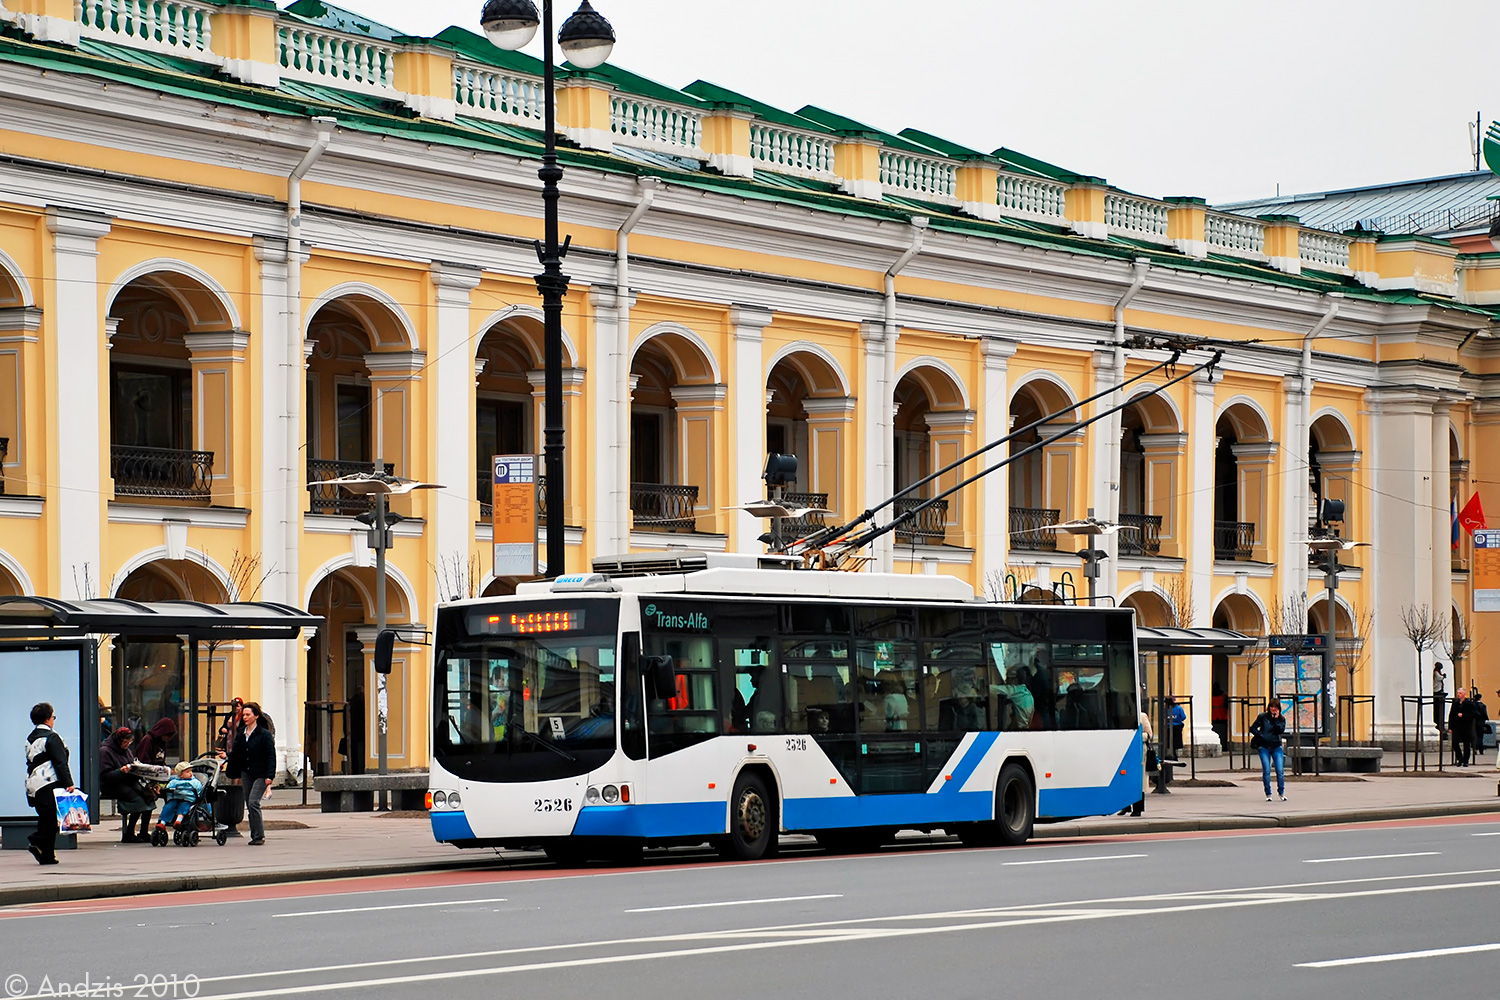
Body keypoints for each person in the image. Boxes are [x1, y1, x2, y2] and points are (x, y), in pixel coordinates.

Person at [24, 702, 74, 865]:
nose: (53, 720)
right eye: (53, 717)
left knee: (45, 818)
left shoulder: (30, 738)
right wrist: (69, 783)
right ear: (47, 719)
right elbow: (60, 762)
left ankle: (47, 855)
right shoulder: (52, 737)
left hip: (33, 783)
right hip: (49, 782)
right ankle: (36, 840)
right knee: (51, 821)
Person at [226, 702, 276, 846]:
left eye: (248, 714)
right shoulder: (242, 732)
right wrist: (227, 756)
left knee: (254, 802)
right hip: (246, 772)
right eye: (244, 715)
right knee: (249, 803)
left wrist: (269, 776)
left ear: (256, 716)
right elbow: (237, 751)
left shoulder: (264, 734)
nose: (245, 717)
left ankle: (259, 835)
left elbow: (270, 756)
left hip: (261, 773)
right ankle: (254, 835)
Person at [99, 727, 154, 843]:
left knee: (149, 797)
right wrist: (120, 771)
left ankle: (143, 831)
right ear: (118, 740)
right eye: (125, 742)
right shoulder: (105, 751)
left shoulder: (126, 751)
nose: (127, 745)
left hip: (127, 781)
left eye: (130, 742)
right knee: (138, 800)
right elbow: (105, 776)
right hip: (112, 784)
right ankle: (129, 833)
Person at [1249, 699, 1288, 802]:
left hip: (1276, 747)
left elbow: (1280, 730)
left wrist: (1275, 719)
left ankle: (1281, 792)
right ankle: (1268, 793)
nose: (1273, 709)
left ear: (1279, 708)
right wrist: (1260, 735)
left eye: (1275, 707)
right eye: (1271, 707)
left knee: (1280, 771)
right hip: (1264, 747)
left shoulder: (1281, 719)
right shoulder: (1263, 717)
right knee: (1266, 770)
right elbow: (1252, 728)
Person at [154, 761, 201, 833]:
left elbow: (199, 790)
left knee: (183, 807)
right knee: (168, 807)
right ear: (180, 775)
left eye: (191, 771)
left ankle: (178, 821)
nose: (191, 773)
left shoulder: (194, 782)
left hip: (188, 799)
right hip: (175, 798)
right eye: (188, 772)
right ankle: (162, 823)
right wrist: (169, 797)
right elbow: (168, 789)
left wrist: (197, 798)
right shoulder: (174, 782)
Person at [1448, 688, 1476, 767]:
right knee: (1455, 743)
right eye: (1458, 693)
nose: (1458, 694)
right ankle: (1460, 759)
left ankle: (1466, 761)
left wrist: (1464, 715)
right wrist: (1450, 727)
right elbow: (1451, 715)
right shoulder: (1455, 703)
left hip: (1466, 727)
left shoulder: (1469, 704)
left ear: (1464, 694)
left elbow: (1473, 714)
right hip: (1457, 727)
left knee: (1466, 744)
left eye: (1460, 693)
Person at [1471, 689, 1490, 764]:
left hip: (1474, 723)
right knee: (1480, 736)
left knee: (1474, 736)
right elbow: (1485, 714)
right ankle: (1480, 749)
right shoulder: (1483, 705)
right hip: (1481, 723)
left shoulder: (1473, 705)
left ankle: (1474, 748)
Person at [1211, 682, 1229, 751]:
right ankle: (1224, 746)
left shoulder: (1210, 695)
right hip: (1222, 717)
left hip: (1213, 717)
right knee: (1223, 734)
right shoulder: (1224, 695)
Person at [1433, 662, 1447, 733]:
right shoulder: (1436, 672)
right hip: (1437, 689)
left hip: (1439, 689)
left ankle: (1441, 725)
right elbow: (1439, 678)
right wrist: (1443, 676)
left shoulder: (1437, 672)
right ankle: (1439, 725)